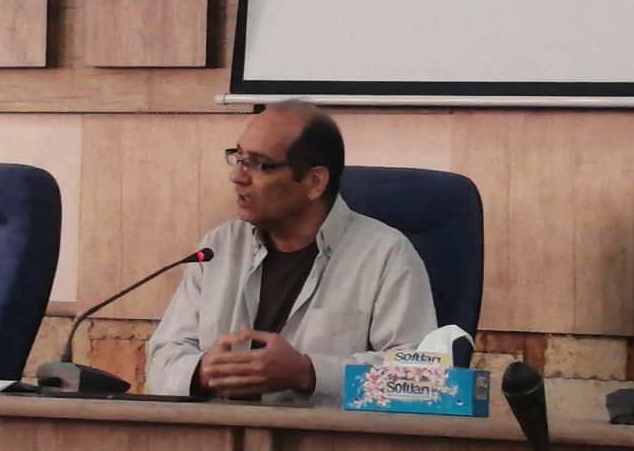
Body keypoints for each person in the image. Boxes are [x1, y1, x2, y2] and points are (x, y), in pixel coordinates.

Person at [147, 101, 438, 405]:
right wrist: (202, 372)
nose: (237, 176)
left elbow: (422, 382)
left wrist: (307, 373)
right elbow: (160, 360)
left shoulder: (385, 255)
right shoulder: (218, 248)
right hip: (221, 428)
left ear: (314, 182)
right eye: (239, 157)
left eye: (259, 164)